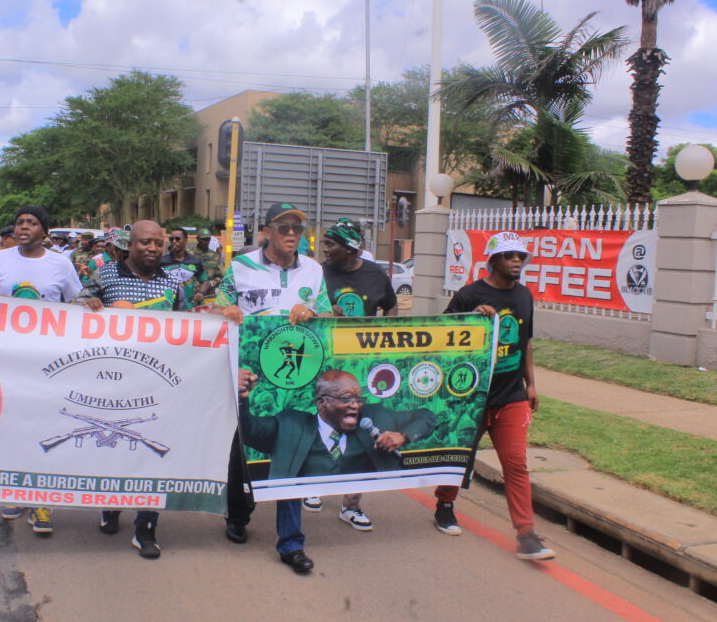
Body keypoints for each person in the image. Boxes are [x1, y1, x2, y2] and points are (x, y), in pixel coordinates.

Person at [212, 201, 331, 569]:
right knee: (241, 451)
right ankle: (237, 513)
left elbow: (328, 314)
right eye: (283, 228)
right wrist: (226, 310)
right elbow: (217, 306)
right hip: (249, 375)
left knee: (290, 453)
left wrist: (313, 312)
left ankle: (291, 543)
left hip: (295, 378)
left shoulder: (312, 270)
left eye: (296, 228)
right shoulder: (241, 267)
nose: (292, 234)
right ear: (265, 232)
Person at [432, 231, 556, 561]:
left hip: (511, 395)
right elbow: (444, 333)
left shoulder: (524, 297)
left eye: (521, 256)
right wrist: (472, 318)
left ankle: (526, 534)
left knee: (516, 465)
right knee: (459, 456)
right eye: (510, 256)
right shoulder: (470, 294)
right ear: (493, 260)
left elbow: (525, 340)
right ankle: (445, 503)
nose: (517, 261)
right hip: (472, 396)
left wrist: (531, 384)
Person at [237, 368, 434, 572]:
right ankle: (283, 543)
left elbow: (426, 416)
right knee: (285, 482)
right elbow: (249, 431)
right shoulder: (290, 424)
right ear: (322, 403)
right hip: (302, 477)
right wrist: (242, 399)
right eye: (346, 398)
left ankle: (341, 514)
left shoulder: (374, 418)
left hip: (349, 474)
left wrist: (403, 436)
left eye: (358, 398)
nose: (355, 405)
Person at [73, 220, 184, 559]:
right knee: (113, 447)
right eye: (145, 242)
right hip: (111, 382)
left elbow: (188, 328)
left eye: (158, 243)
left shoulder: (172, 285)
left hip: (155, 384)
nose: (152, 249)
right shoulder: (106, 276)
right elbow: (75, 308)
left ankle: (146, 528)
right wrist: (91, 307)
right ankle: (111, 503)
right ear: (130, 245)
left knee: (153, 455)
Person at [0, 206, 81, 534]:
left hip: (49, 362)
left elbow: (77, 302)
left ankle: (43, 502)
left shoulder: (60, 263)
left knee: (45, 426)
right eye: (20, 222)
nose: (23, 227)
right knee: (13, 425)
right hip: (7, 359)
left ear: (44, 231)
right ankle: (16, 491)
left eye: (31, 223)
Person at [303, 219, 399, 529]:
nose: (325, 249)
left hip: (364, 368)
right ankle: (314, 486)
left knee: (359, 431)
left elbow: (392, 307)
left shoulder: (375, 276)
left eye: (331, 245)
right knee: (321, 425)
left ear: (350, 248)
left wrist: (386, 336)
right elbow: (305, 310)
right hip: (325, 366)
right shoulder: (318, 273)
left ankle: (351, 504)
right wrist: (326, 312)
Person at [161, 227, 208, 305]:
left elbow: (205, 281)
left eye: (177, 239)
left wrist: (200, 292)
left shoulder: (195, 261)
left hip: (188, 307)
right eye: (171, 239)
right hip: (167, 307)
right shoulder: (162, 261)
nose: (174, 241)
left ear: (186, 240)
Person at [193, 228, 224, 297]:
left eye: (207, 239)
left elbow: (221, 276)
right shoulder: (190, 254)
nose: (205, 242)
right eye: (203, 239)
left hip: (209, 295)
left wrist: (211, 283)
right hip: (192, 293)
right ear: (197, 239)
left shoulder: (215, 256)